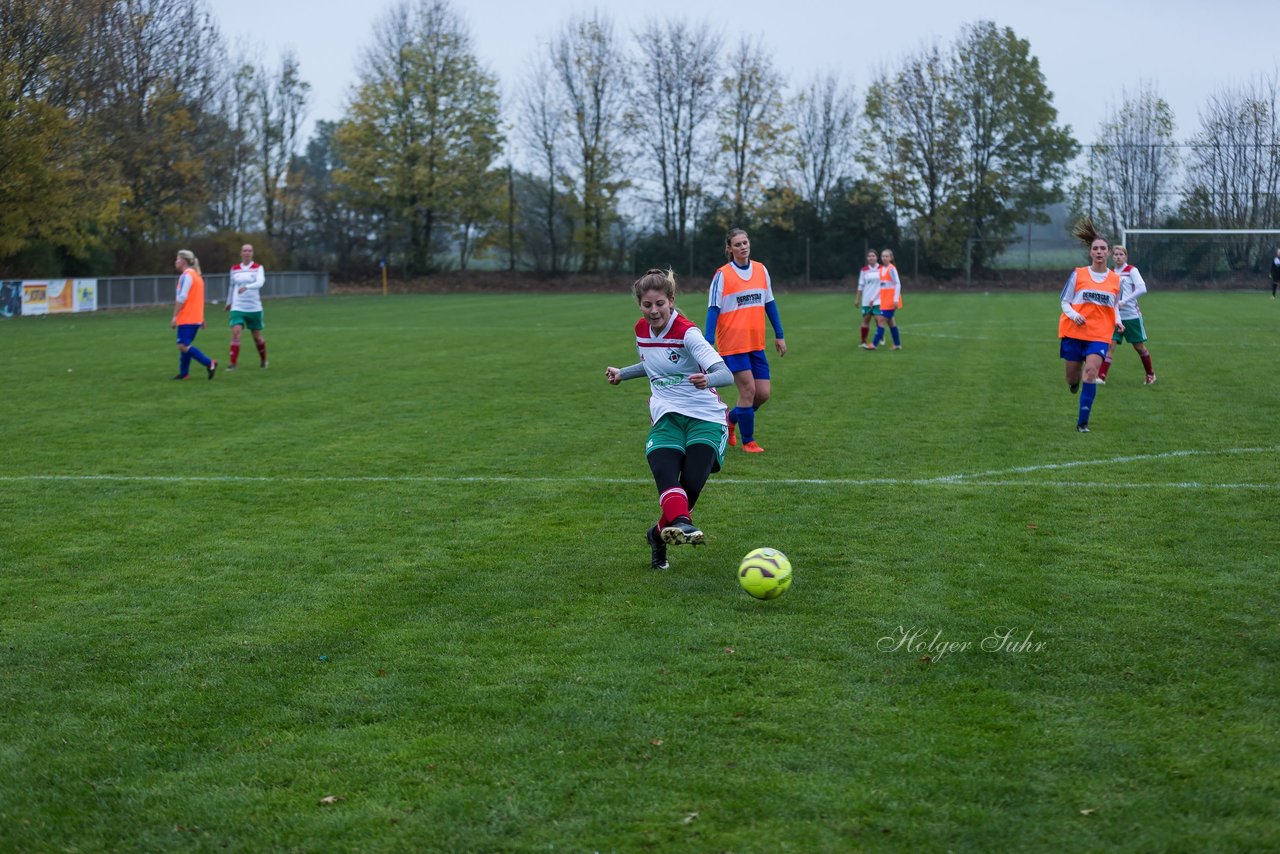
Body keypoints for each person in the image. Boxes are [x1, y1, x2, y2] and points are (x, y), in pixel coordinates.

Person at [606, 269, 734, 570]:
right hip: (666, 416)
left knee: (689, 486)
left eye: (660, 304)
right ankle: (682, 524)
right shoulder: (641, 330)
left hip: (706, 418)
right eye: (647, 305)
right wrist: (623, 373)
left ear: (671, 301)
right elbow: (654, 366)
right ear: (640, 304)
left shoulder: (688, 332)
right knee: (665, 474)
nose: (654, 311)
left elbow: (725, 373)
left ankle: (656, 535)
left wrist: (707, 377)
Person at [705, 228, 786, 453]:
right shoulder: (723, 274)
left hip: (756, 343)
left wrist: (779, 335)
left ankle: (731, 418)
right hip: (732, 344)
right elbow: (713, 308)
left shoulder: (761, 270)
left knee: (763, 394)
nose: (743, 247)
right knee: (748, 390)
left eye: (745, 242)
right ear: (729, 249)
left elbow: (769, 303)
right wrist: (707, 341)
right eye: (738, 244)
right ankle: (748, 442)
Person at [1059, 220, 1123, 432]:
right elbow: (1064, 302)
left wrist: (1119, 322)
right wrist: (1074, 315)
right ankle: (1073, 384)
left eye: (1102, 249)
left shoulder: (1116, 280)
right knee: (1072, 376)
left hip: (1099, 334)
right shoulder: (1079, 274)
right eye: (1095, 248)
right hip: (1074, 332)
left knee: (1091, 372)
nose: (1098, 252)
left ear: (1109, 253)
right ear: (1090, 253)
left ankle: (1082, 422)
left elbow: (1114, 306)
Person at [1097, 246, 1156, 385]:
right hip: (1115, 317)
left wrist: (1125, 301)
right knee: (1110, 346)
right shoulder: (1110, 273)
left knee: (1139, 347)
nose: (1118, 256)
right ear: (1112, 257)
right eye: (1116, 254)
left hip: (1131, 316)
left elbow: (1142, 288)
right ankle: (1101, 376)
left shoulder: (1132, 271)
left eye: (1121, 254)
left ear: (1125, 256)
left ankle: (1150, 374)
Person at [171, 249, 216, 380]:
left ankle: (209, 363)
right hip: (195, 318)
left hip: (187, 318)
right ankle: (184, 373)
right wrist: (201, 318)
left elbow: (182, 297)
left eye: (178, 259)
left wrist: (174, 316)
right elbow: (199, 299)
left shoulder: (187, 276)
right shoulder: (197, 276)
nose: (176, 261)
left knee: (183, 345)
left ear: (184, 261)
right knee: (185, 346)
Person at [225, 243, 268, 369]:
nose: (247, 253)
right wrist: (229, 302)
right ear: (241, 253)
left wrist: (247, 287)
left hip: (254, 307)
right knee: (236, 332)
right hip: (238, 306)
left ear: (252, 253)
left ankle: (263, 360)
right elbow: (231, 286)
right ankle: (232, 364)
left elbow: (260, 282)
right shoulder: (234, 269)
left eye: (249, 251)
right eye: (245, 250)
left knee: (256, 336)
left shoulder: (258, 268)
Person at [870, 248, 903, 350]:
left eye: (887, 256)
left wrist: (896, 299)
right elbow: (882, 286)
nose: (884, 258)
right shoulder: (881, 269)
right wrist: (873, 298)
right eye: (883, 256)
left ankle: (874, 344)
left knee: (880, 320)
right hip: (884, 300)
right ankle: (897, 344)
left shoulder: (892, 269)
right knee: (891, 322)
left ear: (891, 258)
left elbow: (897, 283)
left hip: (891, 300)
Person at [856, 249, 882, 349]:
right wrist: (857, 299)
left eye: (873, 256)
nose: (871, 258)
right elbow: (860, 285)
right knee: (866, 320)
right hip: (866, 299)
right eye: (869, 256)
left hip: (878, 299)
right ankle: (863, 341)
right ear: (867, 258)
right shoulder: (864, 270)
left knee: (878, 319)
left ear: (877, 257)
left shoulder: (882, 269)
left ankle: (880, 336)